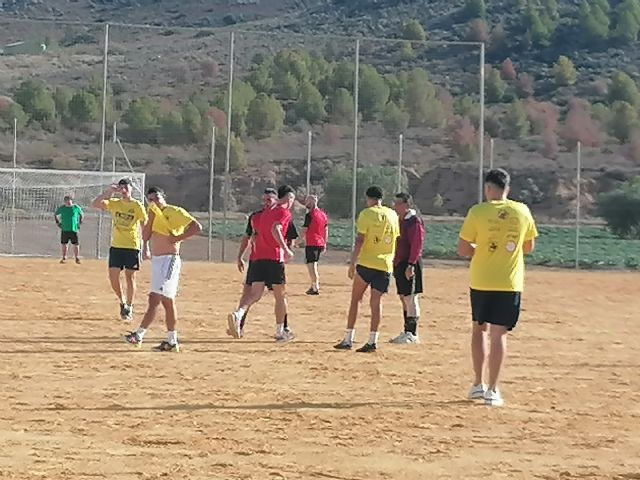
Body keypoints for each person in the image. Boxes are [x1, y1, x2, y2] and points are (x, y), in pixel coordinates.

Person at [457, 168, 538, 407]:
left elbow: (462, 248)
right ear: (508, 189)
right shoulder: (522, 210)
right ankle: (493, 389)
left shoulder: (478, 211)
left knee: (478, 329)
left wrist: (481, 251)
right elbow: (529, 246)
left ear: (488, 188)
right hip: (509, 281)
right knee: (498, 333)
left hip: (481, 279)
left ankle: (477, 383)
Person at [124, 187, 202, 352]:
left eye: (157, 198)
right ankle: (171, 341)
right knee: (167, 301)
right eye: (150, 199)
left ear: (163, 197)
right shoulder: (153, 213)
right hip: (158, 261)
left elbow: (196, 227)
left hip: (169, 260)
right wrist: (150, 219)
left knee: (155, 299)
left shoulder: (174, 211)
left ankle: (139, 334)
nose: (154, 202)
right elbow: (146, 235)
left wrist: (177, 238)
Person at [334, 186, 400, 353]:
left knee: (356, 299)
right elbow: (395, 238)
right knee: (376, 303)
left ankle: (349, 338)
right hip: (385, 263)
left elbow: (360, 239)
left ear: (368, 198)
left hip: (367, 263)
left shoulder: (366, 214)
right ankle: (373, 340)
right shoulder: (392, 215)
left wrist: (352, 262)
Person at [228, 185, 295, 342]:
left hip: (258, 260)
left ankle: (238, 314)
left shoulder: (263, 215)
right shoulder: (281, 213)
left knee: (254, 294)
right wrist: (286, 250)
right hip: (273, 259)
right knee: (280, 297)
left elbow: (282, 234)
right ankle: (280, 331)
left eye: (268, 199)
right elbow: (276, 230)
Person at [92, 178, 147, 321]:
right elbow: (95, 204)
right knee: (113, 276)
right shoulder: (115, 203)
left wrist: (145, 245)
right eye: (121, 188)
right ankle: (122, 301)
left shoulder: (137, 205)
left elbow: (144, 224)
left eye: (126, 188)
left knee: (130, 277)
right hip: (117, 245)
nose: (124, 191)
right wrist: (109, 191)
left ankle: (129, 306)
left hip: (132, 245)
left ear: (131, 189)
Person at [389, 192, 425, 344]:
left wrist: (410, 265)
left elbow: (417, 244)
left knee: (411, 297)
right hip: (400, 263)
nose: (395, 206)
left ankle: (412, 333)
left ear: (406, 205)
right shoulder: (399, 220)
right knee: (404, 297)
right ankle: (406, 331)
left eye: (398, 203)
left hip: (410, 263)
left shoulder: (413, 221)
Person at [301, 195, 328, 295]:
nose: (306, 203)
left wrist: (298, 241)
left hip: (312, 243)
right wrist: (325, 243)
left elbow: (305, 229)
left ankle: (315, 287)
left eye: (307, 201)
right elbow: (326, 229)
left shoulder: (310, 215)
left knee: (311, 266)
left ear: (312, 202)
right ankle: (314, 286)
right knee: (314, 264)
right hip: (320, 243)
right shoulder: (323, 214)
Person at [54, 195, 83, 264]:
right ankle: (64, 257)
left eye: (69, 200)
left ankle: (77, 258)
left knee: (75, 244)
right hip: (65, 229)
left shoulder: (76, 207)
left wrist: (79, 222)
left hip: (73, 229)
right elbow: (56, 214)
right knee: (64, 244)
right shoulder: (62, 208)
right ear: (65, 201)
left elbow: (81, 214)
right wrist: (58, 223)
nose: (68, 202)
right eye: (67, 201)